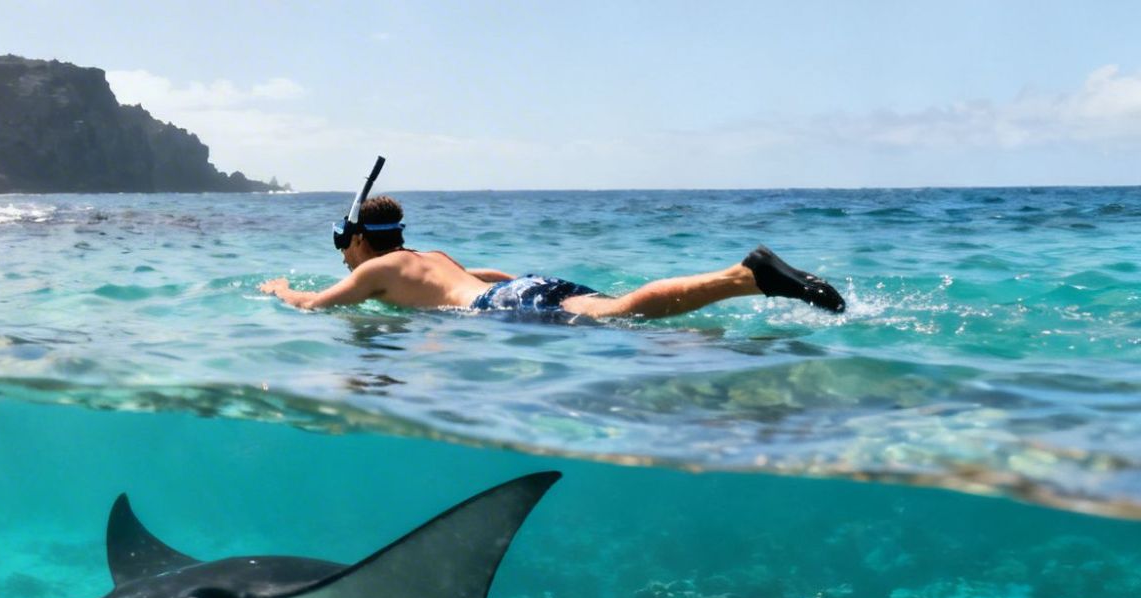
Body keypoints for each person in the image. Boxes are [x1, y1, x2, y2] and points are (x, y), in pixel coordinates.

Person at [259, 195, 846, 318]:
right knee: (624, 313)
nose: (342, 255)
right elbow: (477, 275)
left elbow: (316, 306)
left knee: (627, 315)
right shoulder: (427, 255)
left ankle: (745, 277)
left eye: (342, 242)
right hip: (518, 288)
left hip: (503, 304)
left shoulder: (374, 271)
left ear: (359, 239)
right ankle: (745, 290)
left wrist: (281, 290)